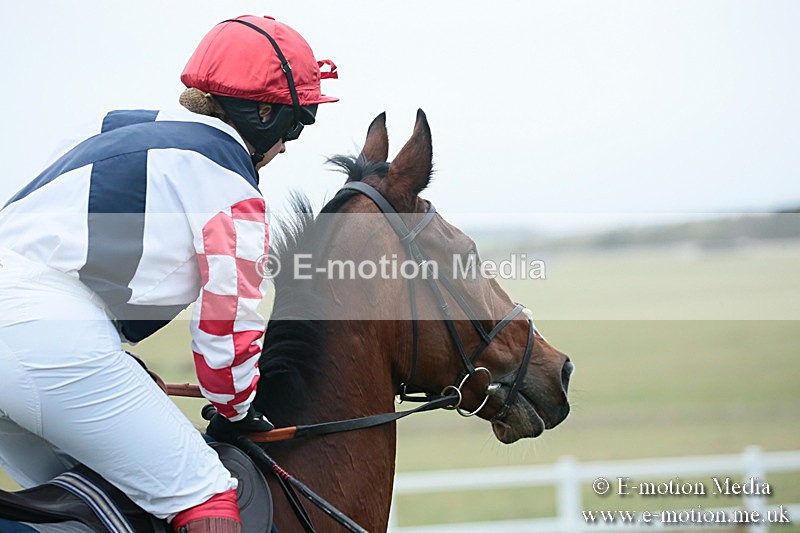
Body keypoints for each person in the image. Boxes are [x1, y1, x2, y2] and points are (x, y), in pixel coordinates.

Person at [0, 15, 337, 532]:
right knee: (207, 493)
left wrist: (116, 368)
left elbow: (53, 261)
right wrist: (236, 409)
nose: (289, 144)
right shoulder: (230, 181)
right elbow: (226, 332)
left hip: (41, 333)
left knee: (109, 499)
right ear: (264, 113)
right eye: (297, 122)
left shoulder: (116, 125)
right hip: (47, 341)